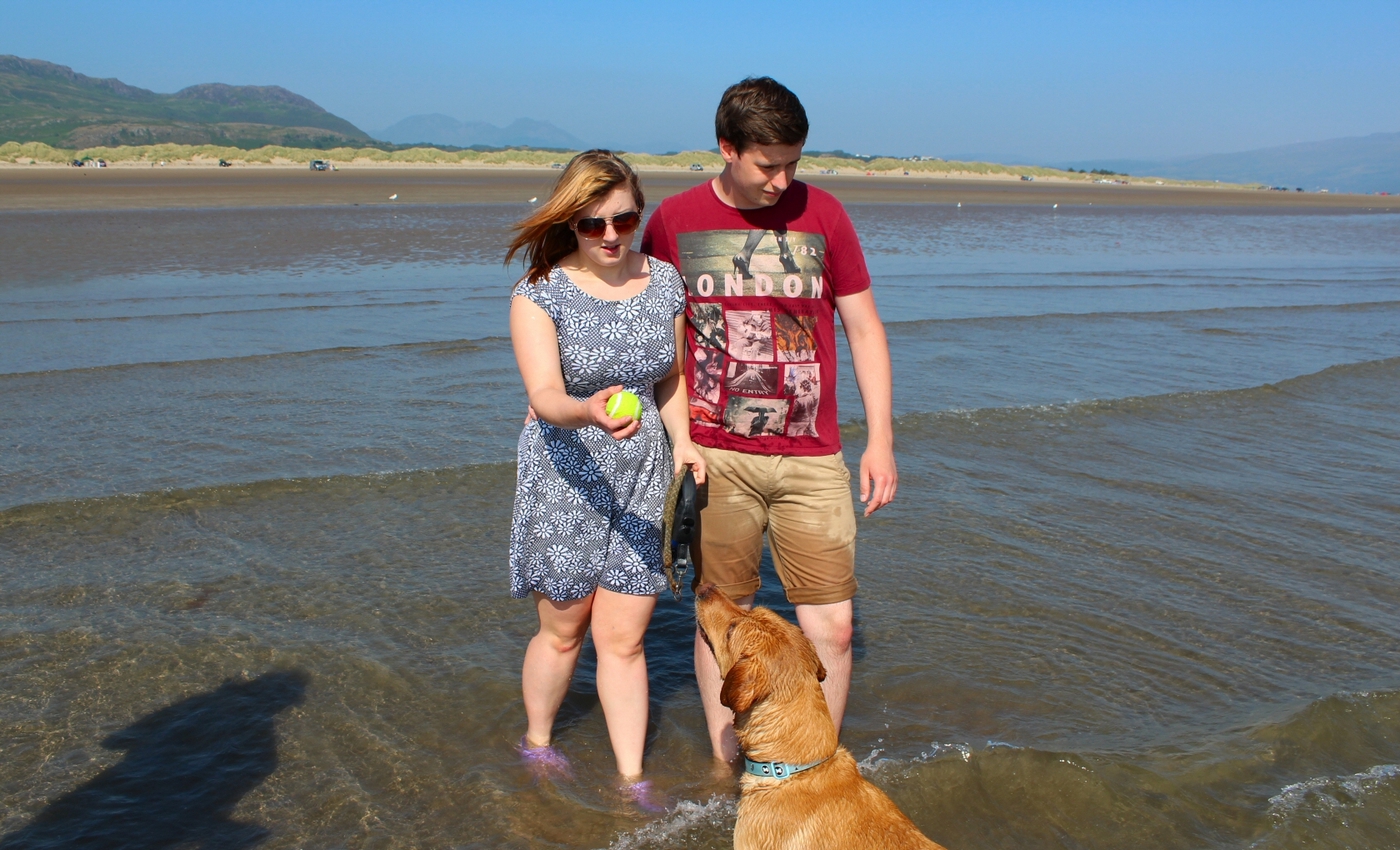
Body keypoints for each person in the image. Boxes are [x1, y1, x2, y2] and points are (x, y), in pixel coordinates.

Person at [640, 77, 897, 764]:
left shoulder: (827, 216)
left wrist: (882, 441)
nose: (784, 180)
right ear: (727, 148)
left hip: (813, 455)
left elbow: (865, 330)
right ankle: (733, 765)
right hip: (714, 452)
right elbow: (647, 329)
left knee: (834, 628)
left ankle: (807, 770)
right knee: (718, 622)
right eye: (767, 164)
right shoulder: (673, 221)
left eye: (794, 162)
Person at [505, 150, 706, 790]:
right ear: (570, 223)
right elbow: (543, 396)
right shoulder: (540, 292)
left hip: (645, 471)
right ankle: (537, 742)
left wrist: (684, 444)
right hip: (566, 471)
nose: (611, 236)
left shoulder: (666, 282)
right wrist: (586, 410)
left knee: (624, 639)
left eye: (624, 219)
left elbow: (671, 379)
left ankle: (632, 778)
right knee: (563, 631)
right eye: (593, 224)